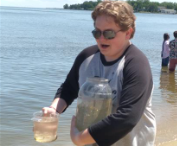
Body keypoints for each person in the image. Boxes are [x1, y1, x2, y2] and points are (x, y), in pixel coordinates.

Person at [42, 1, 156, 146]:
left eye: (109, 33)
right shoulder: (86, 57)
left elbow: (128, 116)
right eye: (97, 32)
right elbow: (69, 88)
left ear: (128, 32)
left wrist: (79, 139)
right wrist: (53, 110)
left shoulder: (136, 64)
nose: (101, 39)